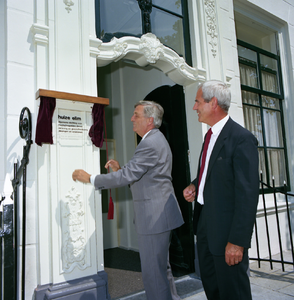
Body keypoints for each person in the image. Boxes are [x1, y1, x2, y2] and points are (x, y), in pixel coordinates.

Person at [72, 100, 184, 300]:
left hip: (154, 219)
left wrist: (90, 178)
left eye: (136, 115)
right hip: (160, 216)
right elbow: (143, 176)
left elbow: (127, 178)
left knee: (153, 275)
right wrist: (122, 170)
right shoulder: (155, 139)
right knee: (161, 270)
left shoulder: (149, 143)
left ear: (149, 120)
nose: (132, 118)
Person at [183, 80, 259, 300]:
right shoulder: (209, 136)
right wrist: (195, 185)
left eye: (197, 102)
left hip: (228, 234)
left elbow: (247, 195)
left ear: (213, 103)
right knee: (213, 290)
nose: (194, 107)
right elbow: (211, 171)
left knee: (233, 293)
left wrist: (237, 241)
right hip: (205, 226)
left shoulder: (242, 139)